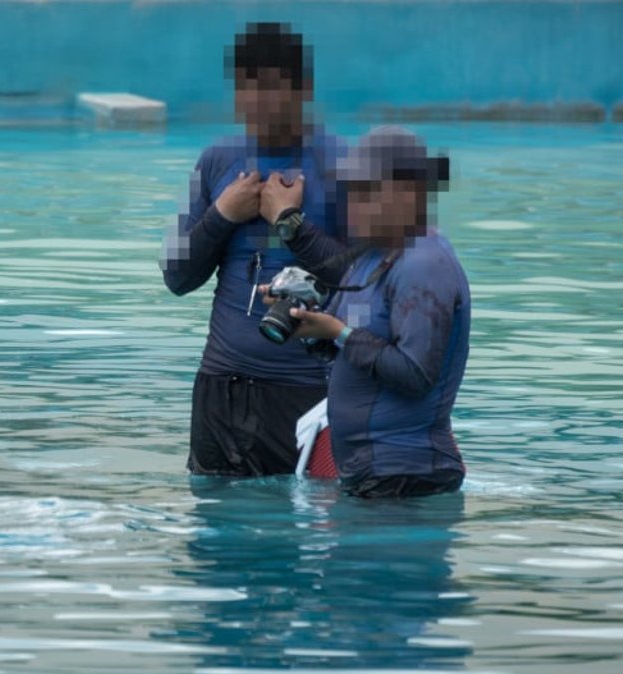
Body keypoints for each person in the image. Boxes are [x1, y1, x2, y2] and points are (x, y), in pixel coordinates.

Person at [160, 21, 347, 477]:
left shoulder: (343, 166)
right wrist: (223, 214)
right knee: (216, 535)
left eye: (269, 88)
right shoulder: (216, 161)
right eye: (244, 89)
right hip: (221, 385)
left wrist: (290, 222)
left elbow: (362, 279)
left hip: (306, 391)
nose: (255, 102)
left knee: (299, 537)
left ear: (303, 88)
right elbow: (176, 277)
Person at [260, 126, 470, 498]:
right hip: (365, 474)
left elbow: (416, 374)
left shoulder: (425, 263)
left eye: (367, 192)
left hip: (408, 479)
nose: (352, 204)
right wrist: (307, 328)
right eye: (351, 191)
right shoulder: (369, 258)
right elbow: (348, 350)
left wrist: (337, 331)